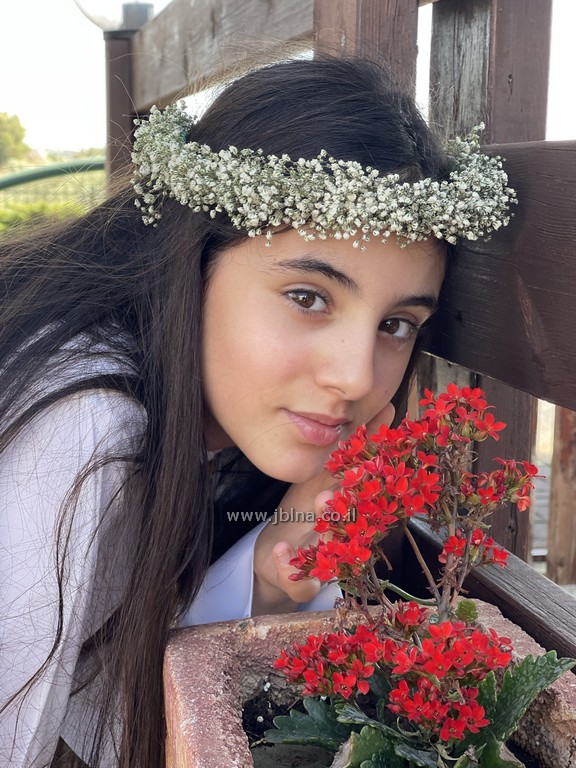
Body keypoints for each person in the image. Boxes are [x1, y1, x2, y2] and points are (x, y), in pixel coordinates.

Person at [0, 56, 515, 768]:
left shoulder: (199, 424)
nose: (355, 378)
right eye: (308, 298)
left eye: (397, 324)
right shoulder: (84, 429)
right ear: (194, 260)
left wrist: (271, 578)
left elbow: (94, 685)